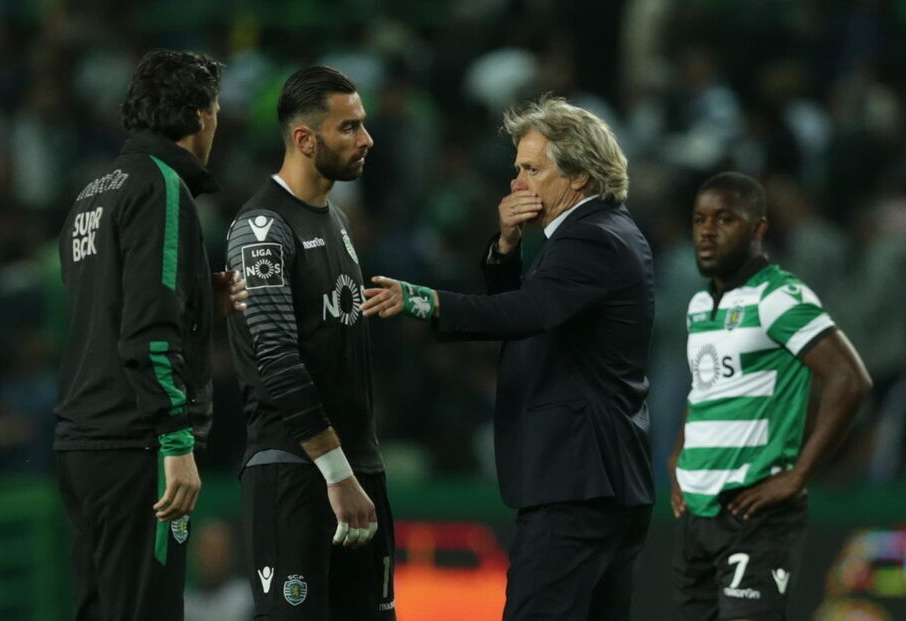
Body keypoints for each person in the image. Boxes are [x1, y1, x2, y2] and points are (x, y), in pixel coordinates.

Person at [362, 95, 655, 621]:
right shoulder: (604, 232)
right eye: (517, 169)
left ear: (579, 176)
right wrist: (506, 245)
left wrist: (423, 300)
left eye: (531, 170)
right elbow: (520, 316)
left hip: (575, 483)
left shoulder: (591, 238)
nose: (516, 182)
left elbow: (524, 312)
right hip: (600, 481)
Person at [56, 49, 247, 621]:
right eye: (215, 110)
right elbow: (147, 329)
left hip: (82, 442)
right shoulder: (161, 187)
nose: (217, 122)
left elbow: (107, 308)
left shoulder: (92, 194)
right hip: (136, 444)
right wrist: (175, 440)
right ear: (198, 114)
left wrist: (195, 293)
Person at [225, 66, 395, 620]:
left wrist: (356, 470)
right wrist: (337, 474)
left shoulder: (337, 219)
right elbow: (276, 359)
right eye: (348, 128)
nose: (366, 139)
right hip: (297, 474)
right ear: (304, 139)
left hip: (356, 469)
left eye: (362, 124)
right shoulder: (262, 229)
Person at [668, 172, 872, 621]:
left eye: (724, 219)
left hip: (754, 512)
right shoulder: (700, 304)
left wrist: (798, 475)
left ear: (758, 228)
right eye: (700, 219)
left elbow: (850, 380)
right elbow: (705, 387)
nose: (707, 231)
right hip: (697, 512)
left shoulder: (779, 296)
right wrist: (680, 453)